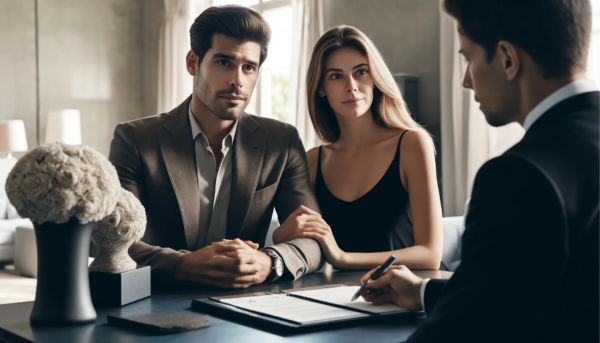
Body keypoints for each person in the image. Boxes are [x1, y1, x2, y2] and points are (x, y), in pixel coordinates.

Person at [361, 0, 599, 342]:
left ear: (507, 58)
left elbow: (460, 332)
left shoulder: (518, 177)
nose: (466, 81)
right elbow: (542, 296)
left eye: (468, 58)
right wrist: (425, 292)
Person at [108, 5, 324, 288]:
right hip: (158, 305)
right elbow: (112, 240)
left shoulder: (281, 142)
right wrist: (183, 264)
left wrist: (270, 261)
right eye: (224, 62)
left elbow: (314, 242)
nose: (238, 80)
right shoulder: (135, 140)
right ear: (192, 63)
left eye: (249, 67)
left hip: (245, 307)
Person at [273, 26, 444, 271]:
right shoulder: (312, 161)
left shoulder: (412, 144)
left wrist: (343, 258)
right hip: (346, 299)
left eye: (361, 72)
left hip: (414, 297)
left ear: (375, 78)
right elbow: (305, 245)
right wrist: (280, 236)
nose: (351, 86)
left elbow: (430, 255)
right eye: (336, 76)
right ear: (320, 88)